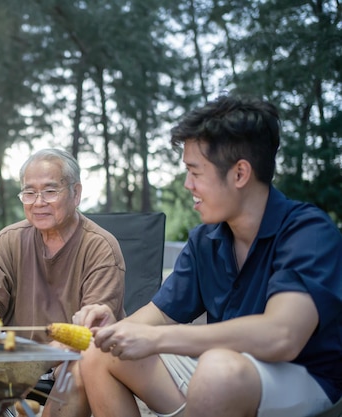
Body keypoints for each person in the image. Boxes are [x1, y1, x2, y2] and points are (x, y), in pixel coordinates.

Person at [75, 95, 342, 417]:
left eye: (195, 172)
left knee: (218, 369)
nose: (187, 185)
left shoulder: (308, 232)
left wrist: (157, 339)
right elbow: (156, 316)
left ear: (240, 174)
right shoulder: (207, 239)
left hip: (302, 376)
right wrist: (109, 331)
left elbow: (282, 336)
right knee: (98, 353)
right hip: (221, 369)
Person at [0, 148, 126, 417]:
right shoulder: (8, 240)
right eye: (29, 193)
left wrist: (32, 360)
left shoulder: (101, 247)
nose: (38, 202)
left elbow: (91, 331)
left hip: (71, 363)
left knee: (78, 370)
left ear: (75, 194)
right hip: (11, 364)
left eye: (50, 191)